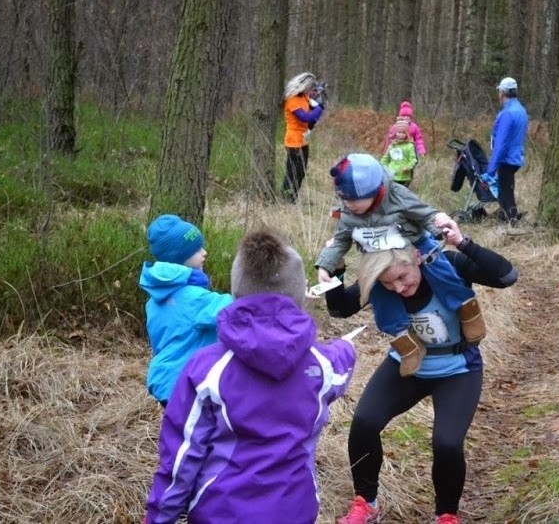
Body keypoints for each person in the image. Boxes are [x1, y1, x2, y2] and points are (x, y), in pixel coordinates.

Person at [144, 228, 357, 524]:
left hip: (220, 512)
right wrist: (348, 346)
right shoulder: (323, 364)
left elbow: (181, 459)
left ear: (237, 291)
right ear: (297, 294)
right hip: (294, 510)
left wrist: (159, 518)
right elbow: (344, 363)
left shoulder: (205, 369)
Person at [325, 216, 518, 524]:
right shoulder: (381, 282)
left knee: (447, 443)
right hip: (406, 366)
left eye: (402, 277)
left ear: (417, 257)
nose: (399, 288)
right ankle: (366, 503)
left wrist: (462, 242)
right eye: (388, 283)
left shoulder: (448, 265)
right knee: (363, 422)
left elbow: (507, 276)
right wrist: (333, 267)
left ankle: (446, 515)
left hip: (458, 369)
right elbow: (339, 310)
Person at [315, 153, 484, 364]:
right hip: (377, 257)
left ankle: (466, 306)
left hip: (413, 244)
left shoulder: (398, 196)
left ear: (375, 190)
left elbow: (425, 215)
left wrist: (440, 230)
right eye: (345, 199)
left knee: (440, 269)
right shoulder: (348, 213)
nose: (349, 205)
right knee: (379, 294)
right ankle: (403, 339)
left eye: (355, 200)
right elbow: (340, 241)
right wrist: (325, 265)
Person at [139, 214, 233, 407]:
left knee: (182, 433)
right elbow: (236, 307)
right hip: (186, 382)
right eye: (197, 249)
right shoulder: (193, 298)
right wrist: (276, 292)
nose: (204, 252)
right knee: (200, 434)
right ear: (178, 257)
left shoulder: (155, 298)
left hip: (166, 379)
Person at [485, 77, 529, 226]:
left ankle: (512, 221)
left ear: (502, 93)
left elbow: (500, 145)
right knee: (507, 188)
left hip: (507, 158)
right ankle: (509, 217)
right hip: (517, 157)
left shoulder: (508, 114)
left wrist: (490, 171)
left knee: (505, 192)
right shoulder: (521, 110)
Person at [281, 72, 325, 202]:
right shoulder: (292, 100)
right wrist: (319, 109)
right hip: (293, 140)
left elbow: (311, 117)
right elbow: (304, 116)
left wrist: (316, 110)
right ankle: (287, 198)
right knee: (292, 172)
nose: (311, 91)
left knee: (301, 171)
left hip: (303, 140)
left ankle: (293, 197)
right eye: (310, 88)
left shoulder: (305, 97)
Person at [380, 119, 419, 188]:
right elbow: (385, 158)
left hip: (404, 177)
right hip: (391, 175)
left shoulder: (409, 146)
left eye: (403, 133)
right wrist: (382, 166)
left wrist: (408, 167)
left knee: (402, 193)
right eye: (399, 132)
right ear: (395, 133)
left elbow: (413, 160)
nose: (401, 135)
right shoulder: (392, 145)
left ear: (407, 134)